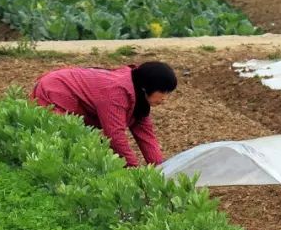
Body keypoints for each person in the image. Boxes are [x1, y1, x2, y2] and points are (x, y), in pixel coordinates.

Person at [30, 61, 176, 167]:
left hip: (71, 96)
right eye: (162, 92)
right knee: (65, 147)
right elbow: (115, 136)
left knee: (84, 148)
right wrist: (135, 171)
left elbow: (146, 136)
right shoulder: (118, 93)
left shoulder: (138, 97)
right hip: (56, 90)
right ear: (146, 87)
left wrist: (162, 169)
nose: (164, 98)